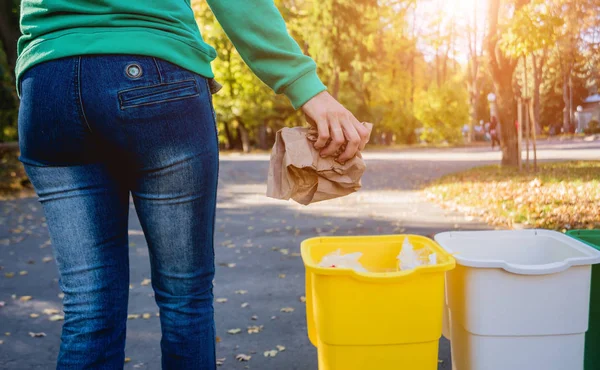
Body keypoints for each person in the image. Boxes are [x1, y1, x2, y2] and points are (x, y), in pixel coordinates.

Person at [16, 1, 371, 369]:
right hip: (155, 71)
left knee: (89, 308)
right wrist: (306, 87)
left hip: (46, 84)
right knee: (185, 298)